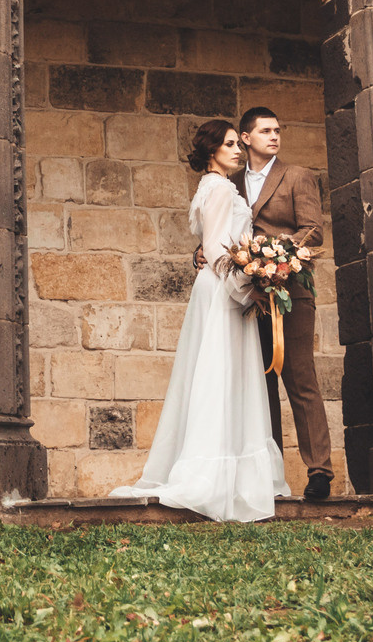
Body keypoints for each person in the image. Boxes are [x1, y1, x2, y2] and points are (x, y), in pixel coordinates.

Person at [107, 119, 288, 523]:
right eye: (229, 145)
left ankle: (227, 471)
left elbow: (212, 247)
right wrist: (249, 290)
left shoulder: (211, 187)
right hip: (224, 289)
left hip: (214, 285)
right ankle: (214, 474)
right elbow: (219, 251)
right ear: (212, 151)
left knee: (217, 373)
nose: (237, 151)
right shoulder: (220, 188)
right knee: (221, 374)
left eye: (237, 144)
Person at [215, 107, 334, 501]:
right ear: (246, 138)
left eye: (277, 131)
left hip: (291, 293)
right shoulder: (230, 183)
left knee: (300, 378)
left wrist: (275, 253)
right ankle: (270, 476)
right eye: (265, 131)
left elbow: (313, 230)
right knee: (258, 383)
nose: (274, 136)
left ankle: (319, 471)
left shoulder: (297, 176)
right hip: (247, 296)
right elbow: (220, 231)